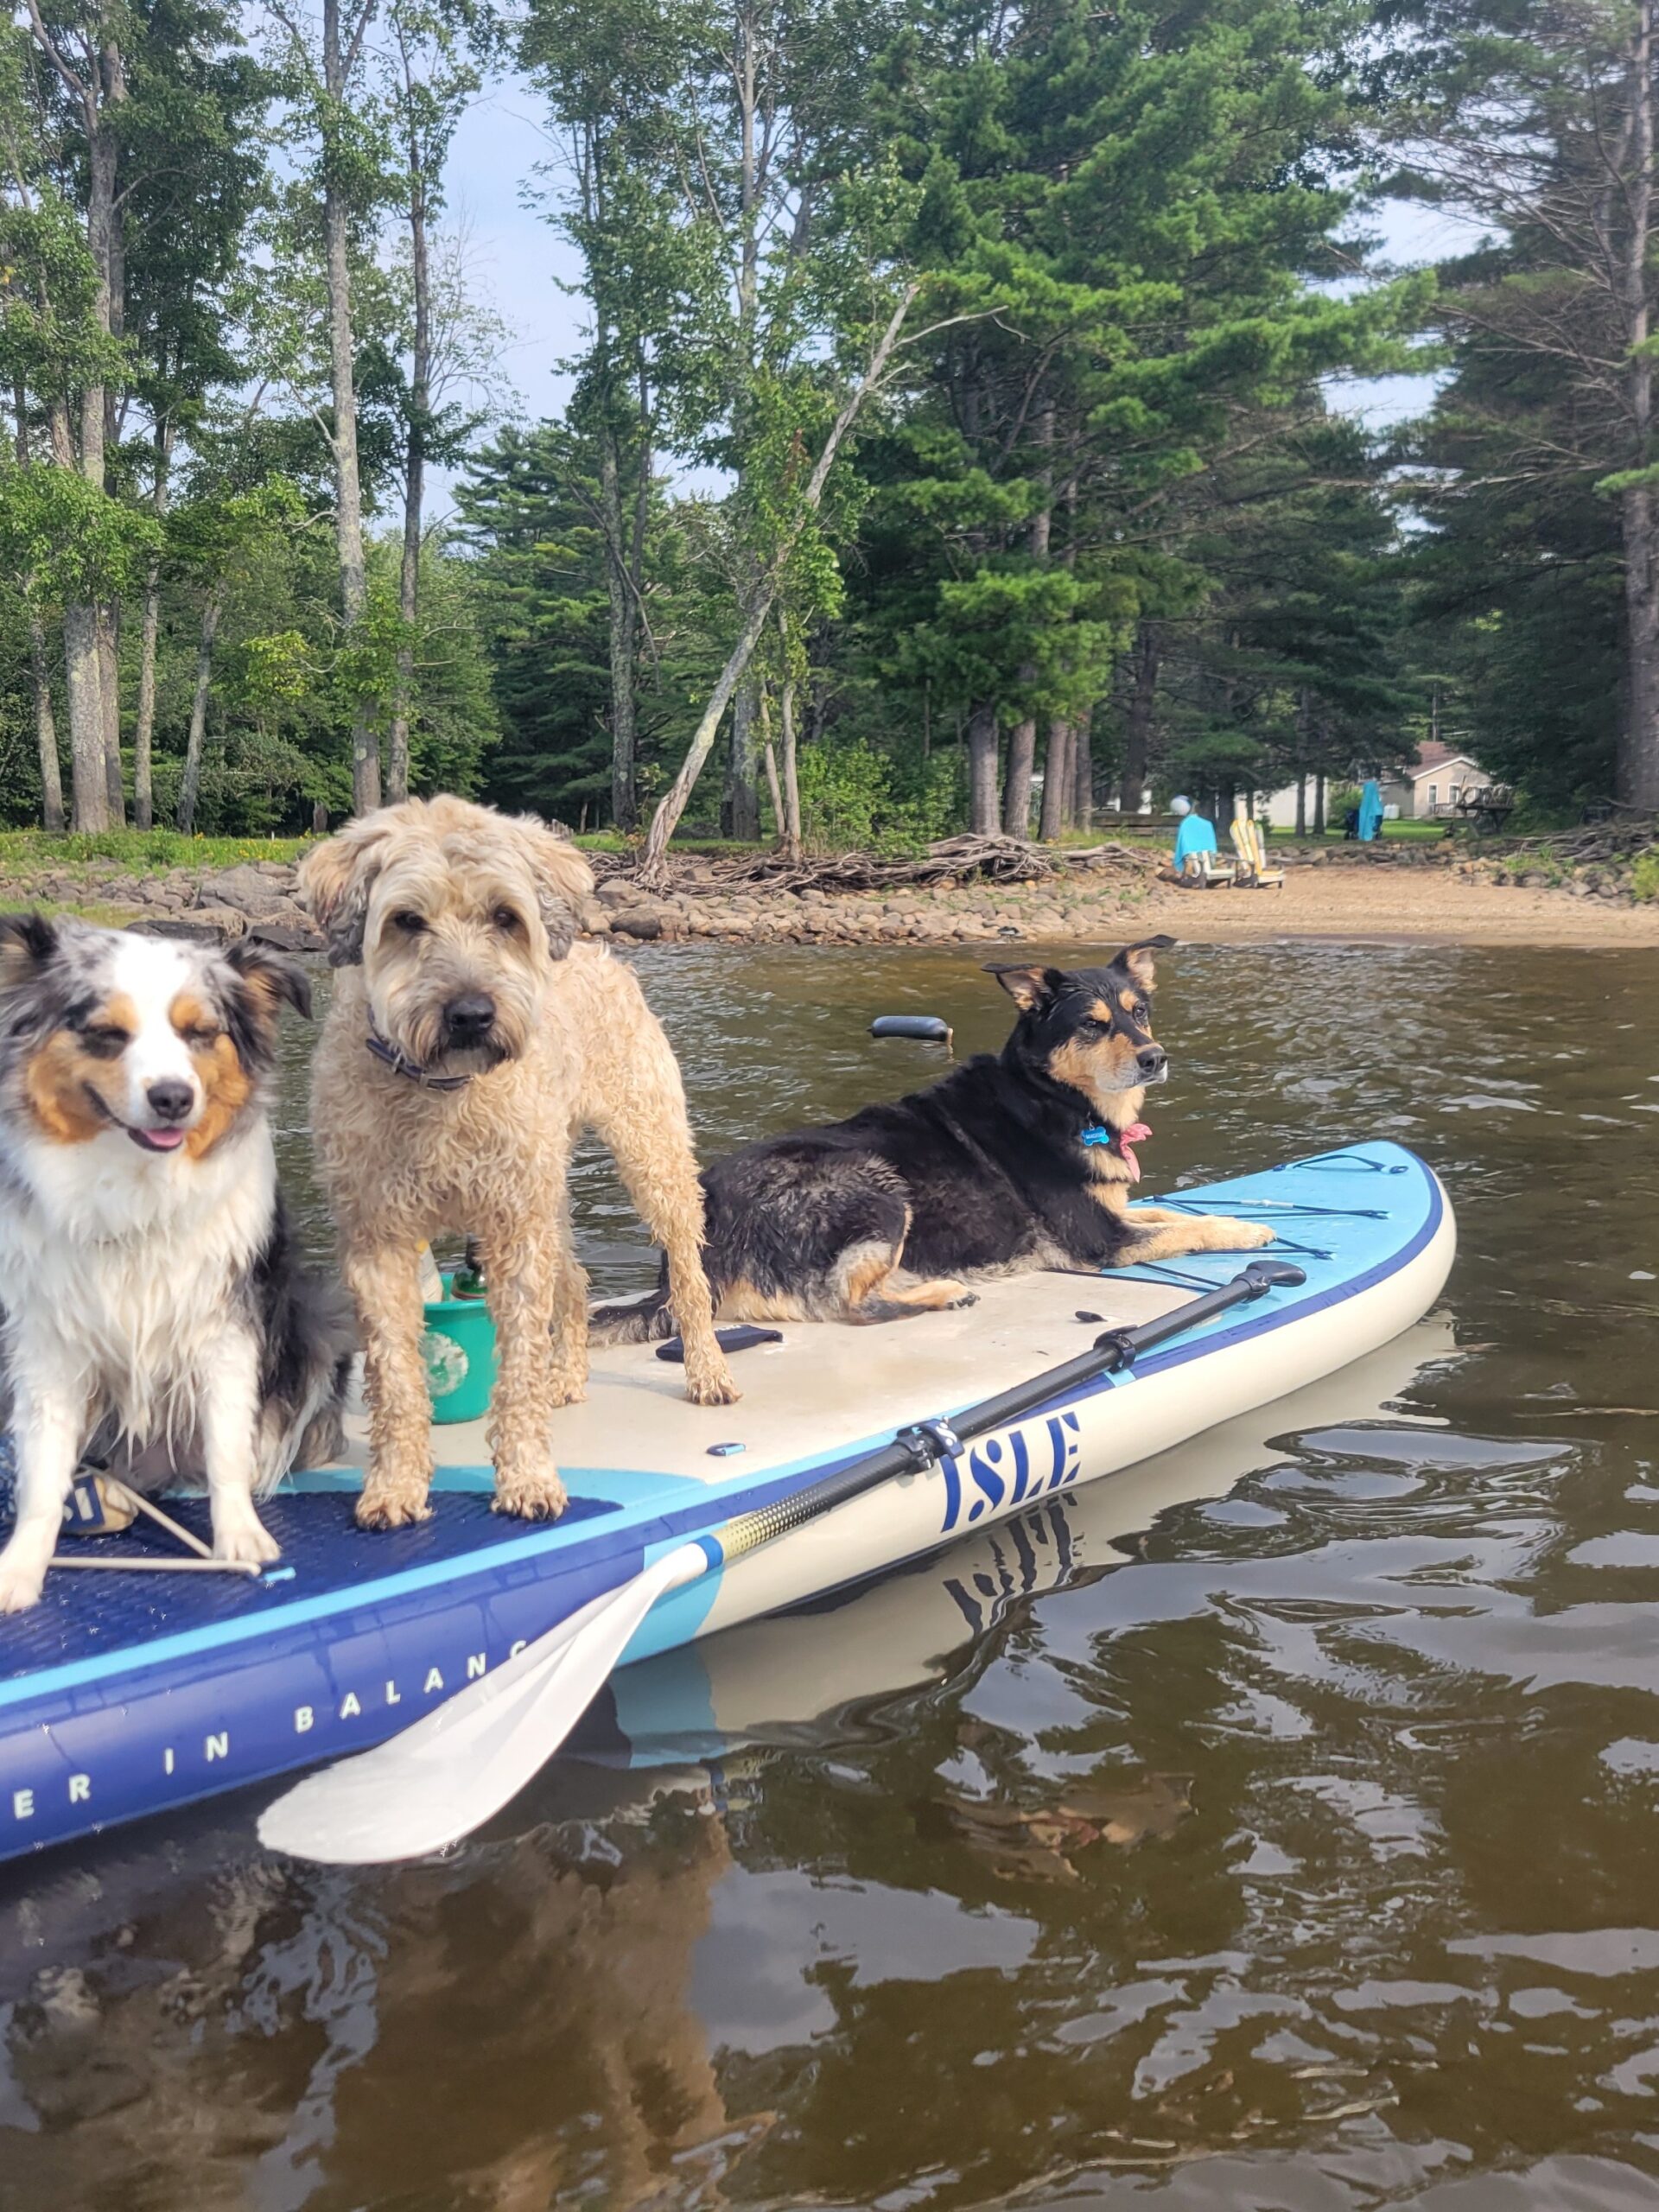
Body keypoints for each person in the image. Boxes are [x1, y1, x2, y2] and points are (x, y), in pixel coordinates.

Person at [1170, 795, 1220, 876]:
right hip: (1206, 860)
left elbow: (1181, 844)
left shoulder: (1185, 824)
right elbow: (1212, 848)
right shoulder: (1207, 825)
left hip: (1194, 860)